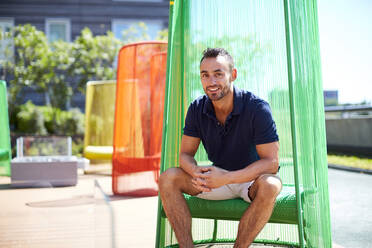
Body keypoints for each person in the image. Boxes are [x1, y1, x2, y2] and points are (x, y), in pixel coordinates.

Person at [158, 48, 282, 248]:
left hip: (250, 181)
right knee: (168, 177)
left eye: (218, 74)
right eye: (205, 75)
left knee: (272, 184)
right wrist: (195, 171)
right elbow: (185, 155)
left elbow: (272, 163)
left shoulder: (257, 108)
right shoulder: (197, 108)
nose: (211, 82)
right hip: (215, 180)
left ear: (233, 75)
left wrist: (228, 177)